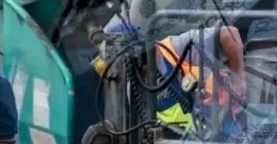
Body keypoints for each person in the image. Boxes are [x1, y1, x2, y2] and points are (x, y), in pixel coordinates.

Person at [104, 19, 246, 136]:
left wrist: (238, 80)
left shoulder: (177, 47)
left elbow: (229, 34)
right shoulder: (135, 89)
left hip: (232, 120)